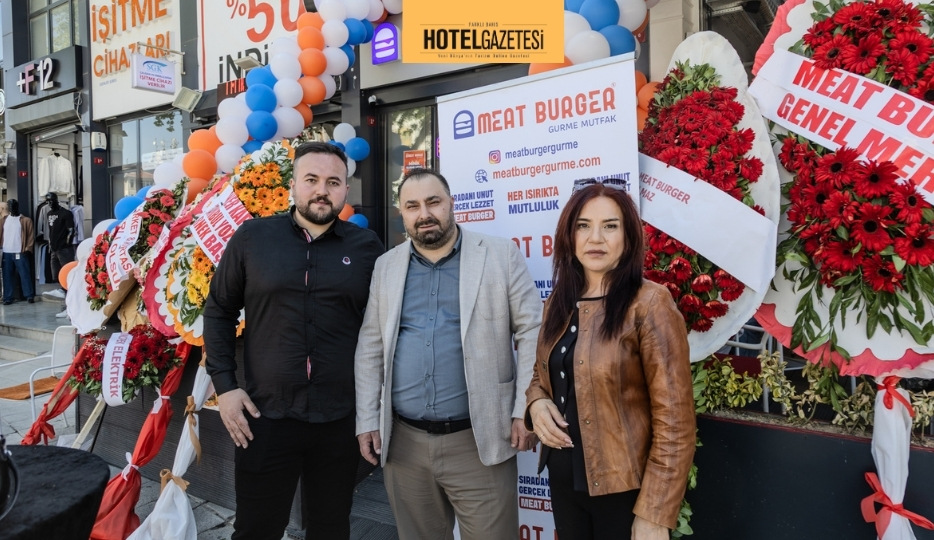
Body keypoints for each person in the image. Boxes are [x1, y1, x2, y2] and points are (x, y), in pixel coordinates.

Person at [204, 142, 384, 540]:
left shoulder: (367, 248)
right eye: (311, 179)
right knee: (256, 530)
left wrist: (375, 408)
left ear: (345, 190)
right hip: (265, 417)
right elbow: (218, 311)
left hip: (340, 418)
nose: (322, 190)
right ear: (293, 185)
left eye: (333, 182)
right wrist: (226, 388)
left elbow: (383, 329)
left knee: (331, 528)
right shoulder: (253, 238)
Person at [355, 167, 542, 540]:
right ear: (402, 213)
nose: (424, 214)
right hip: (404, 445)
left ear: (452, 203)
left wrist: (526, 408)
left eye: (433, 202)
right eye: (412, 206)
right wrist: (367, 419)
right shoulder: (386, 266)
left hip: (480, 440)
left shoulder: (499, 255)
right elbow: (370, 345)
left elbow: (533, 331)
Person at [525, 183, 696, 540]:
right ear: (569, 236)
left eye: (610, 226)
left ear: (628, 237)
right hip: (563, 483)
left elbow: (675, 421)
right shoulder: (558, 301)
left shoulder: (650, 304)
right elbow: (542, 376)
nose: (595, 238)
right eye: (583, 226)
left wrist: (655, 512)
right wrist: (537, 402)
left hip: (624, 492)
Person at [41, 192, 74, 317]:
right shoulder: (49, 214)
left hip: (64, 249)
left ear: (56, 200)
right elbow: (51, 231)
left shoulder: (66, 213)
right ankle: (65, 305)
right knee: (57, 276)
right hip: (54, 249)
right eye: (47, 201)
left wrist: (65, 244)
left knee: (68, 277)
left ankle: (69, 308)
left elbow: (71, 231)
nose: (49, 203)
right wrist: (51, 245)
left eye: (51, 200)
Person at [0, 200, 36, 305]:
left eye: (14, 205)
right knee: (7, 276)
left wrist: (28, 248)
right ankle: (7, 297)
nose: (12, 208)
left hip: (20, 251)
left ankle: (29, 295)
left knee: (25, 274)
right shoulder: (3, 220)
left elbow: (30, 235)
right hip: (6, 252)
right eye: (10, 206)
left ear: (17, 206)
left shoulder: (26, 220)